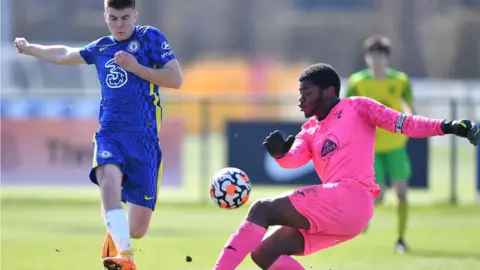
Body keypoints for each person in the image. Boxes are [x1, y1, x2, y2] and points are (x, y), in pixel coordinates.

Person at [213, 63, 479, 270]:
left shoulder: (358, 107)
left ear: (329, 92)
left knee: (261, 209)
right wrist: (281, 154)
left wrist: (448, 126)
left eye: (307, 94)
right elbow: (294, 159)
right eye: (300, 94)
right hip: (344, 212)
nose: (300, 101)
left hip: (353, 197)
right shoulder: (310, 130)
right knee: (263, 253)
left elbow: (405, 123)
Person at [14, 0, 183, 269]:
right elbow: (64, 54)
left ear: (135, 15)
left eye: (125, 18)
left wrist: (135, 67)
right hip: (110, 133)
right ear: (105, 17)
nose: (120, 25)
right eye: (114, 18)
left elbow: (175, 79)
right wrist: (30, 48)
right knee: (108, 183)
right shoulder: (102, 47)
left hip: (145, 140)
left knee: (137, 229)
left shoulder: (150, 38)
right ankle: (125, 257)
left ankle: (115, 236)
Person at [346, 35, 414, 253]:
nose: (376, 60)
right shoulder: (358, 82)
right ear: (367, 58)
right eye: (372, 56)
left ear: (387, 58)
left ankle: (401, 240)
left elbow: (412, 109)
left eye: (380, 56)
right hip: (370, 149)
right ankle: (362, 218)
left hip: (395, 145)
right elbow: (344, 111)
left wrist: (417, 125)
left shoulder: (400, 81)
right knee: (379, 194)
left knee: (402, 193)